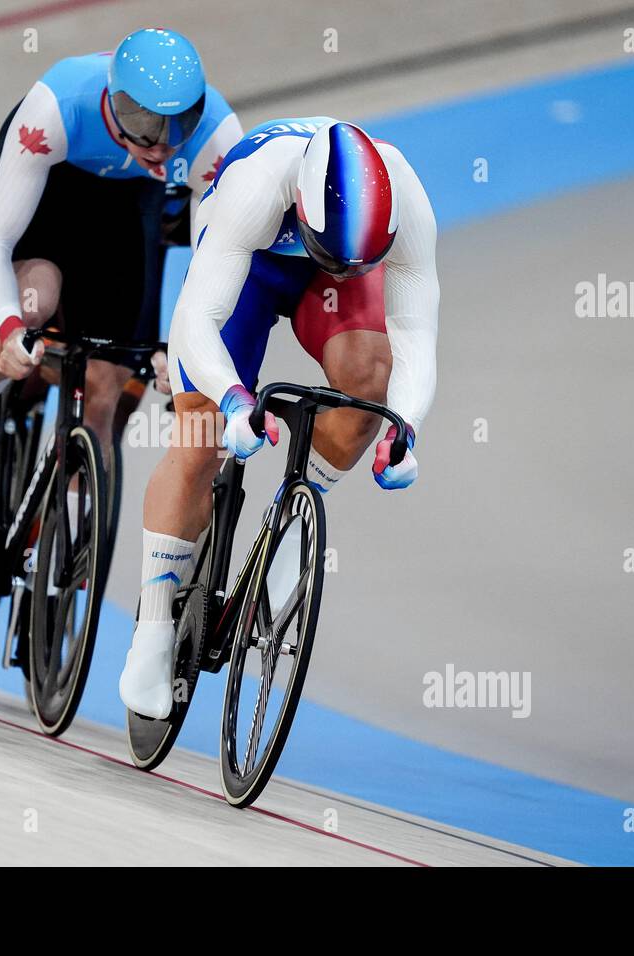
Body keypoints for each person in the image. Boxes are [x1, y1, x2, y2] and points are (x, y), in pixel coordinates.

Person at [118, 118, 440, 718]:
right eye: (338, 258)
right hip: (254, 264)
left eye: (358, 262)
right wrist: (234, 399)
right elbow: (197, 321)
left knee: (369, 379)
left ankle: (293, 518)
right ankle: (154, 626)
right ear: (301, 206)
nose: (348, 271)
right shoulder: (255, 186)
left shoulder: (405, 200)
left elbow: (416, 331)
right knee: (198, 433)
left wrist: (406, 426)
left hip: (325, 261)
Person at [0, 27, 242, 520]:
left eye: (178, 124)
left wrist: (186, 348)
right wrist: (11, 326)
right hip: (54, 186)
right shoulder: (58, 106)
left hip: (127, 204)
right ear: (113, 100)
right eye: (143, 122)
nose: (161, 144)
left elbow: (219, 262)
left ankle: (67, 562)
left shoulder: (218, 138)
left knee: (106, 382)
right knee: (34, 298)